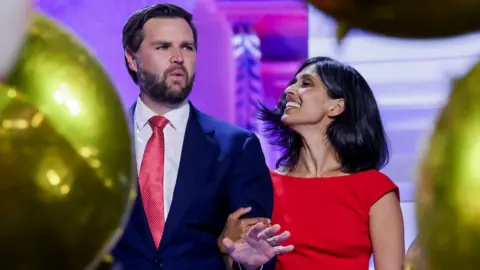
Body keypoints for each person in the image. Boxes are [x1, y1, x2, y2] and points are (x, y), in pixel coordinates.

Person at [111, 4, 291, 270]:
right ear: (131, 58)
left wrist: (249, 264)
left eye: (187, 47)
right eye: (163, 47)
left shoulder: (236, 147)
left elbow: (255, 247)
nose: (178, 58)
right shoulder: (103, 145)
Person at [252, 56, 404, 269]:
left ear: (336, 107)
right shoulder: (265, 185)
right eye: (293, 83)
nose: (289, 90)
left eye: (306, 83)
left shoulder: (374, 189)